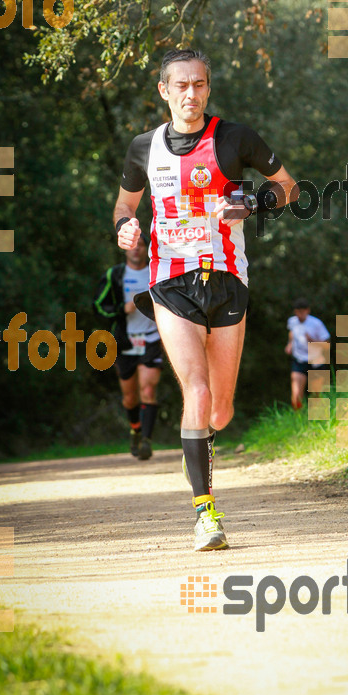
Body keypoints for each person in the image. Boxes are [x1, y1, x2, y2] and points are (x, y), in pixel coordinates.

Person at [113, 48, 297, 551]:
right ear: (164, 91)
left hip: (228, 280)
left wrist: (252, 201)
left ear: (207, 89)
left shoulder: (236, 138)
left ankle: (198, 444)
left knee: (220, 410)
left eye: (199, 85)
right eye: (181, 86)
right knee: (195, 391)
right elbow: (125, 206)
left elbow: (289, 187)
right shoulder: (142, 148)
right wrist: (126, 228)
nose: (190, 94)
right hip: (169, 283)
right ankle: (206, 513)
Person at [93, 233, 163, 460]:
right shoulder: (115, 275)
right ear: (125, 249)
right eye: (132, 246)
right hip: (124, 342)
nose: (136, 250)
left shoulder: (158, 271)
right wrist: (121, 310)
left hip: (152, 339)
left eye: (141, 245)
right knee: (130, 398)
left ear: (146, 249)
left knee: (148, 390)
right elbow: (98, 307)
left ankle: (146, 441)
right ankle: (136, 430)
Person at [285, 298, 331, 410]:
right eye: (297, 312)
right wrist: (290, 344)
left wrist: (312, 341)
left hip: (316, 360)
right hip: (299, 360)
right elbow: (291, 333)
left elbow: (327, 344)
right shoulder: (292, 321)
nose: (299, 314)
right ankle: (297, 420)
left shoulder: (316, 323)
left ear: (307, 311)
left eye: (302, 311)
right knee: (296, 396)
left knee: (316, 396)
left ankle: (315, 421)